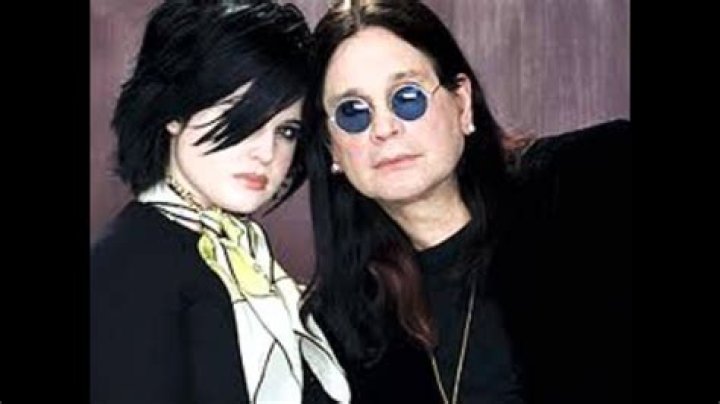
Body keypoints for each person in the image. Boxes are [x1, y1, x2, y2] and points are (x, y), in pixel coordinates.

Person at [90, 1, 351, 403]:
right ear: (174, 111)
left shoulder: (247, 256)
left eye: (286, 131)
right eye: (241, 116)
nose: (266, 152)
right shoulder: (127, 265)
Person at [300, 1, 525, 403]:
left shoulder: (591, 182)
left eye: (407, 97)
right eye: (353, 112)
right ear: (332, 147)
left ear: (461, 104)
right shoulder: (333, 331)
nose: (384, 128)